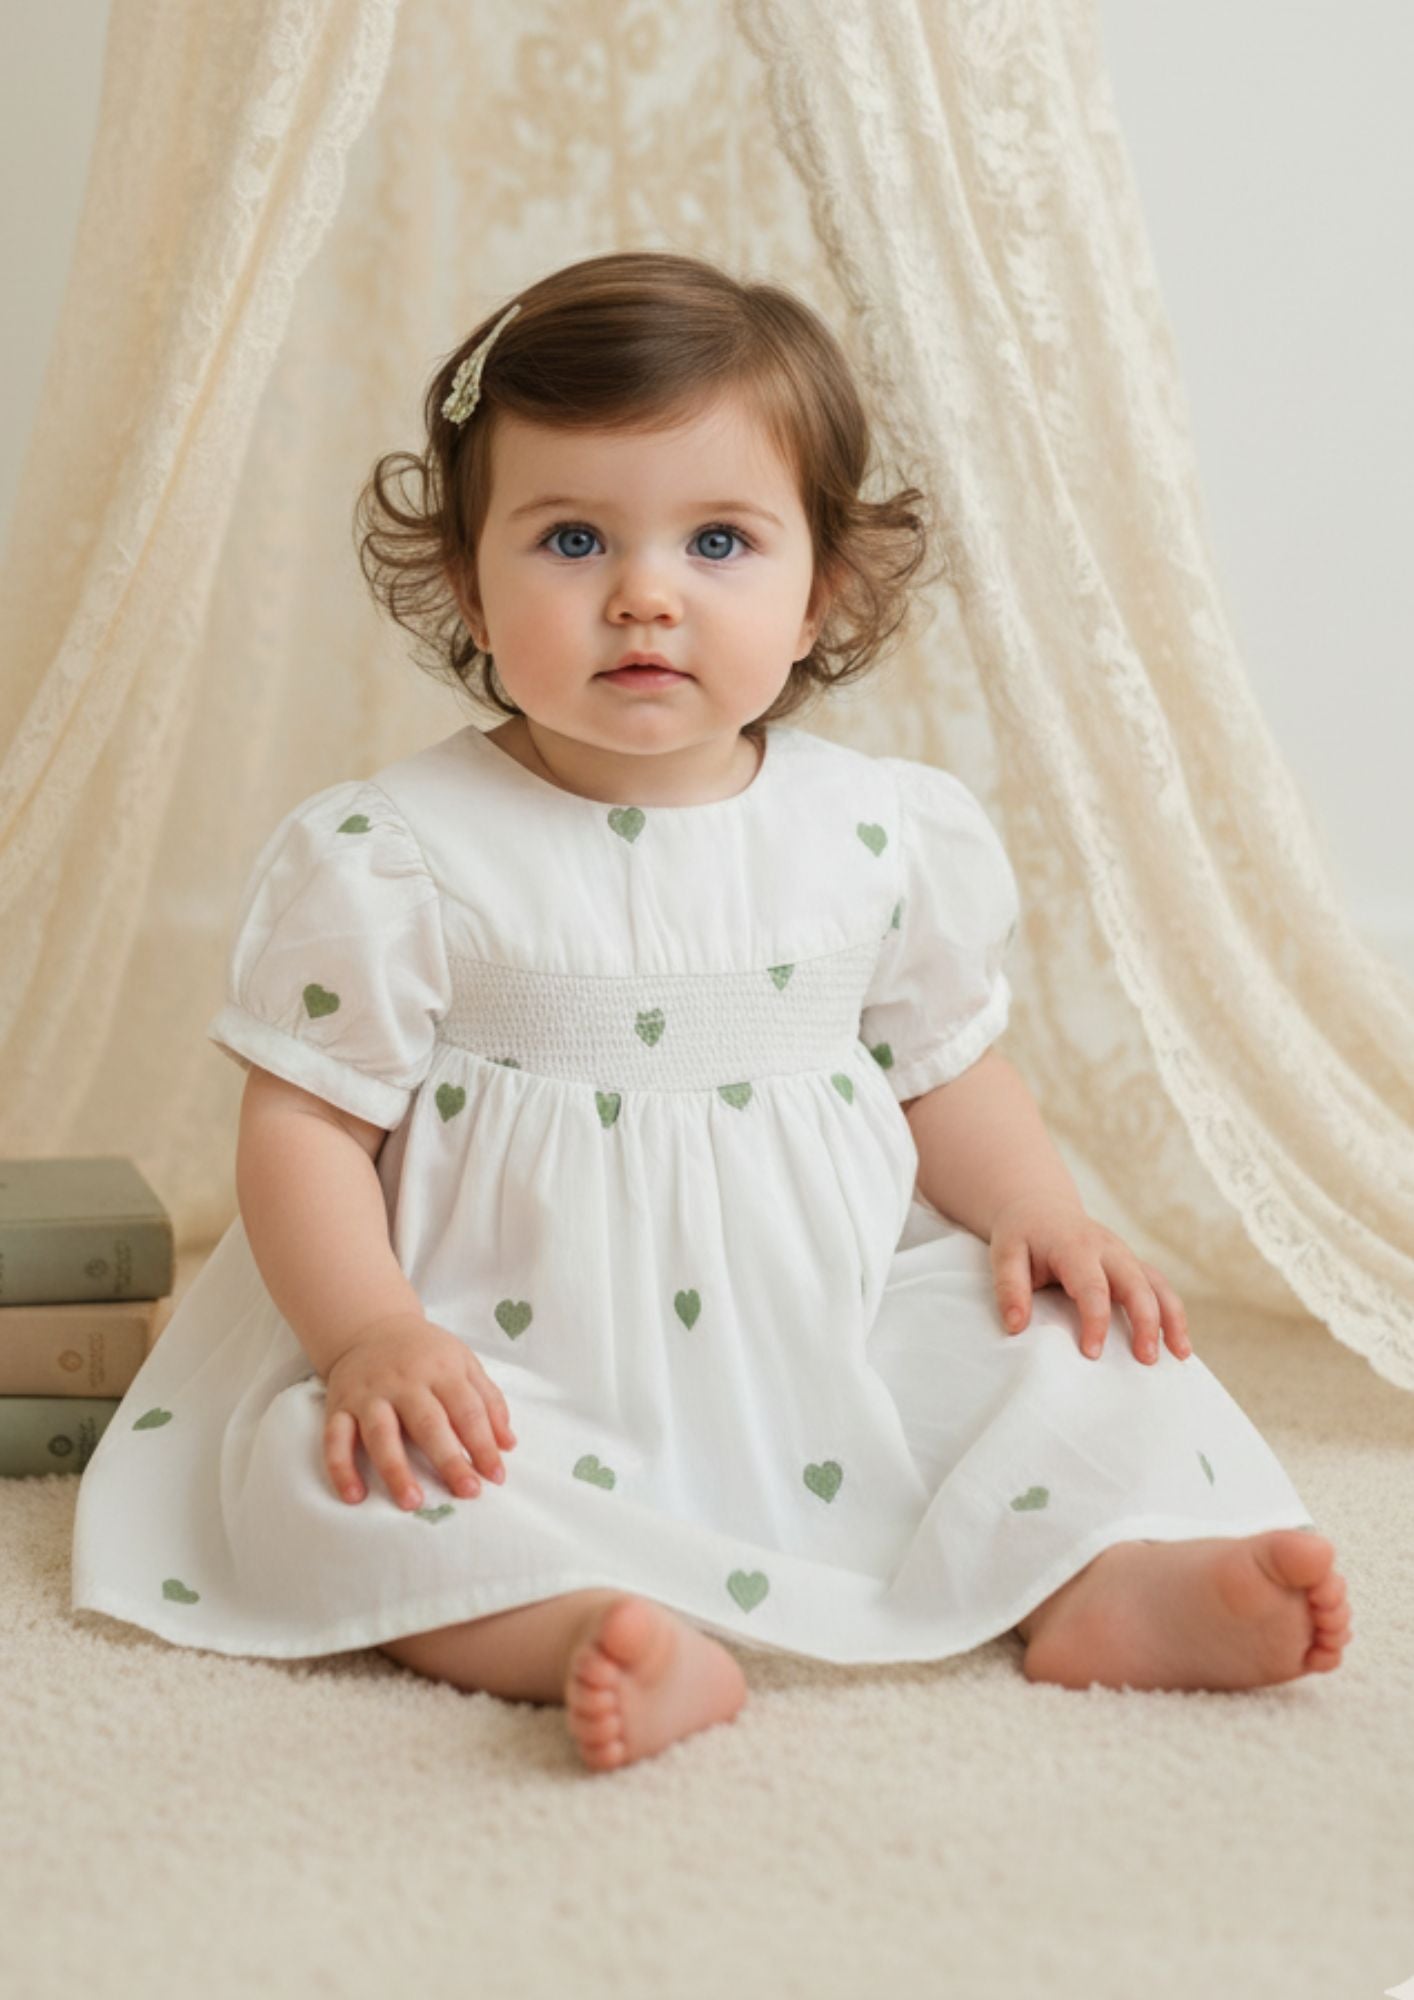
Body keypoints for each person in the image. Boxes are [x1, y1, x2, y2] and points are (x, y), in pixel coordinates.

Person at [70, 249, 1350, 1773]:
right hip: (506, 1354)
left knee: (1081, 1350)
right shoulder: (399, 852)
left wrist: (1039, 1213)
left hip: (833, 1327)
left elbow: (942, 1069)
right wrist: (369, 1336)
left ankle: (1105, 1584)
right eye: (568, 538)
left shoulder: (875, 828)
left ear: (824, 594)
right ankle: (573, 1629)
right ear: (468, 583)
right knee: (327, 1479)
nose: (643, 594)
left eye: (722, 540)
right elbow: (304, 1125)